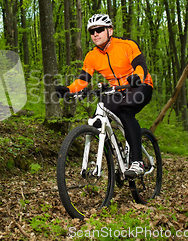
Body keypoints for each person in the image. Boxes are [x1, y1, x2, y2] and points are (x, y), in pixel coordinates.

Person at [55, 14, 153, 178]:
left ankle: (138, 161)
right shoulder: (91, 56)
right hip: (117, 90)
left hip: (140, 86)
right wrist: (68, 90)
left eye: (99, 29)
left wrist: (138, 76)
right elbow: (83, 79)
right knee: (98, 120)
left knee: (126, 111)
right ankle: (115, 157)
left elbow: (140, 65)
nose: (95, 34)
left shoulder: (126, 45)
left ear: (110, 30)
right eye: (92, 32)